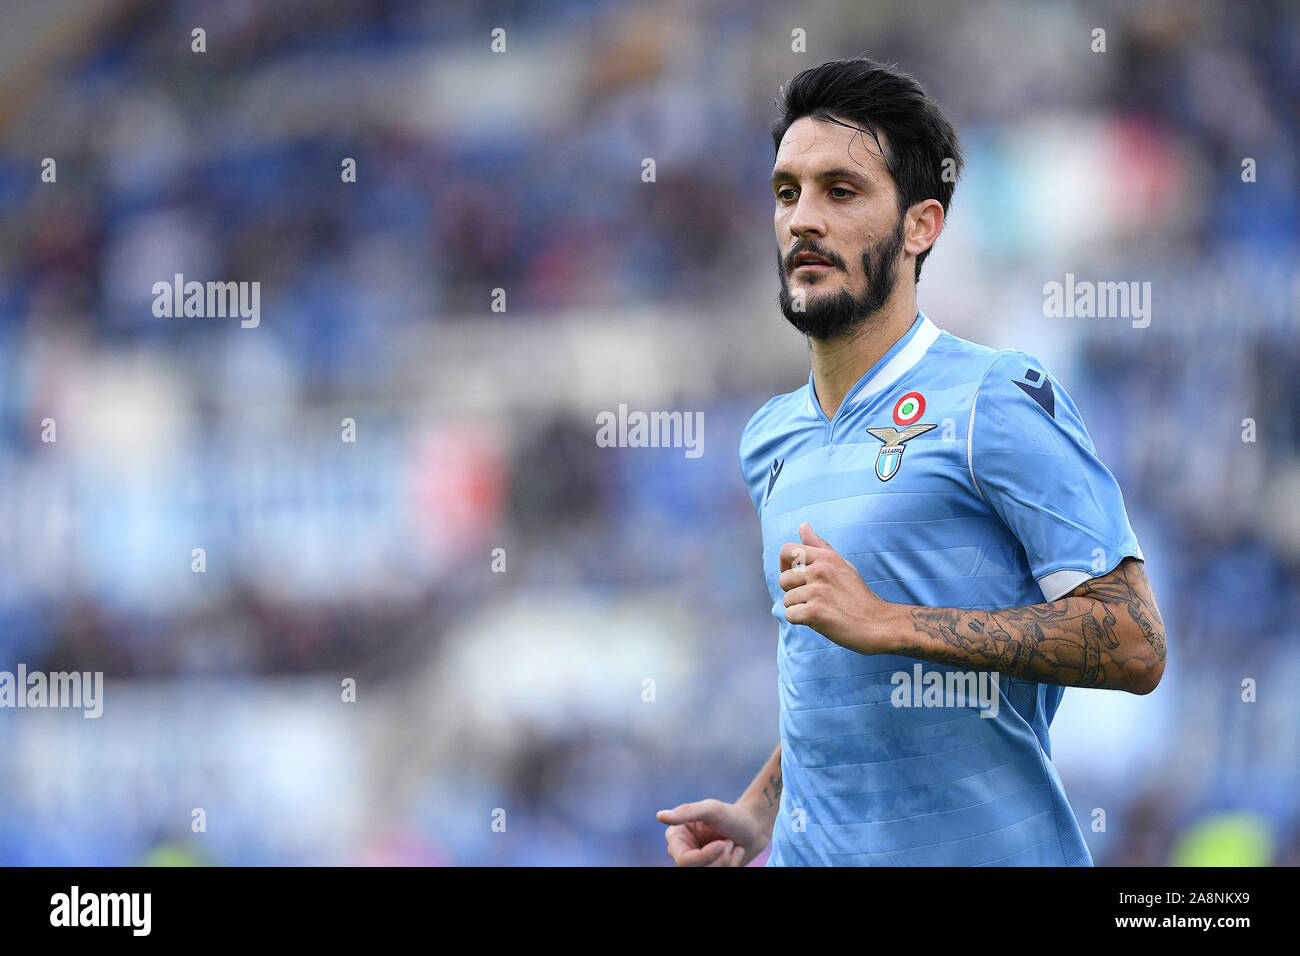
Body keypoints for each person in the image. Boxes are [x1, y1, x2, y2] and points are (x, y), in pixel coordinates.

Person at [658, 56, 1166, 867]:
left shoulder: (995, 398)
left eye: (842, 190)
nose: (802, 221)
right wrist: (759, 811)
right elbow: (832, 670)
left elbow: (1136, 642)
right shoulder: (770, 438)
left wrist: (889, 623)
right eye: (787, 192)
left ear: (921, 226)